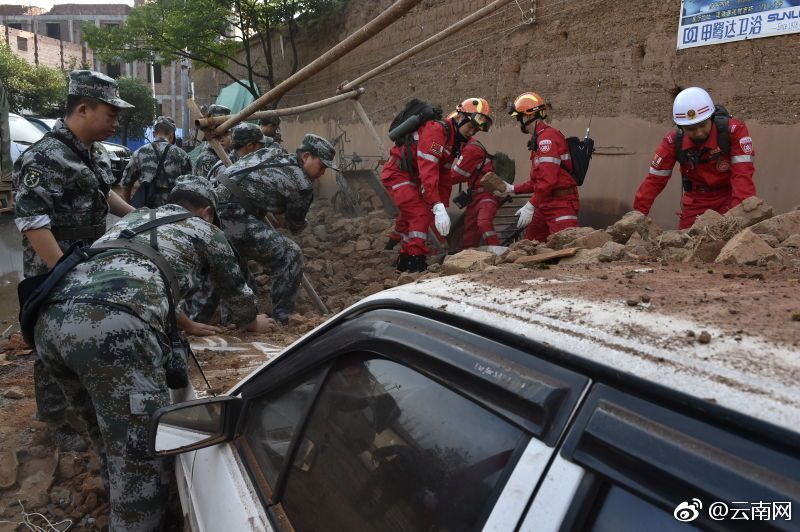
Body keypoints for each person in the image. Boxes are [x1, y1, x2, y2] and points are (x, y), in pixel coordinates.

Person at [34, 175, 273, 531]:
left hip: (50, 321)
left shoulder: (133, 220)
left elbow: (128, 273)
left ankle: (118, 501)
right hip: (113, 331)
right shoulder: (205, 230)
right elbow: (237, 294)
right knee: (143, 458)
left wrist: (187, 324)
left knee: (106, 435)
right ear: (207, 211)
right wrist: (253, 321)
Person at [13, 69, 136, 451]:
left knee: (88, 332)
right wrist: (64, 271)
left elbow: (104, 194)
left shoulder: (94, 152)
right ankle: (54, 420)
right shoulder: (43, 157)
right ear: (83, 109)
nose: (115, 123)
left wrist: (138, 217)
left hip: (89, 258)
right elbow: (33, 222)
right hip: (55, 265)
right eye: (110, 114)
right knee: (52, 337)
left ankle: (86, 402)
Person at [210, 134, 337, 324]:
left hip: (211, 205)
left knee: (238, 266)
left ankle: (233, 320)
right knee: (290, 254)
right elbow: (295, 226)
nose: (323, 173)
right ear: (306, 157)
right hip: (232, 215)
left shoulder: (272, 153)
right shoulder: (302, 184)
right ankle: (282, 318)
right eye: (322, 166)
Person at [381, 98, 491, 272]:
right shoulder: (437, 130)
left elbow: (444, 176)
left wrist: (441, 207)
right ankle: (414, 262)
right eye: (470, 127)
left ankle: (400, 255)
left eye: (475, 130)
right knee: (419, 215)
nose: (471, 132)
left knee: (413, 214)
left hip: (413, 177)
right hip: (397, 174)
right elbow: (429, 170)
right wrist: (437, 205)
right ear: (460, 117)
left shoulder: (455, 141)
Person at [633, 87, 756, 228]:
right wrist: (635, 219)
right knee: (686, 239)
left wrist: (738, 217)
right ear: (680, 127)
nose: (699, 133)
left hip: (729, 196)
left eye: (703, 125)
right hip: (696, 202)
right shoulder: (673, 142)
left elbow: (742, 176)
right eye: (691, 129)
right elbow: (653, 182)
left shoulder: (733, 131)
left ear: (711, 118)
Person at [499, 91, 580, 243]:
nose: (518, 121)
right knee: (531, 246)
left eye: (519, 117)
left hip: (560, 204)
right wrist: (513, 189)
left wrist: (530, 205)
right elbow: (538, 181)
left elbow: (548, 181)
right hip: (545, 203)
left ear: (529, 116)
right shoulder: (539, 139)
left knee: (566, 246)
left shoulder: (546, 139)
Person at [120, 115, 192, 207]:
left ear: (154, 133)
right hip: (173, 209)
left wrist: (128, 209)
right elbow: (189, 186)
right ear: (172, 134)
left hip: (146, 208)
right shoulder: (182, 155)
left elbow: (126, 184)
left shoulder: (139, 153)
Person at [449, 138, 502, 247]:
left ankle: (497, 251)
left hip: (486, 194)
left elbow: (456, 176)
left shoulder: (471, 149)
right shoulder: (472, 146)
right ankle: (469, 254)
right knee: (470, 233)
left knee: (484, 222)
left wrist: (433, 179)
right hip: (476, 195)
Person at [207, 122, 285, 183]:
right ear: (249, 146)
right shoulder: (223, 168)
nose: (263, 148)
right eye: (261, 145)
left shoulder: (251, 163)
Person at [193, 104, 232, 176]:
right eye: (217, 134)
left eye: (226, 134)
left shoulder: (232, 154)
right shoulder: (206, 159)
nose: (221, 139)